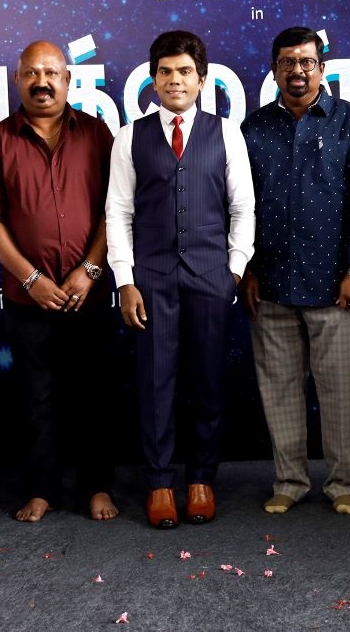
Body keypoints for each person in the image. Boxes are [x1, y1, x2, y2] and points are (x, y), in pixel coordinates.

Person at [106, 30, 255, 529]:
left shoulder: (226, 133)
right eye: (166, 72)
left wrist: (234, 270)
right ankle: (160, 483)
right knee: (155, 386)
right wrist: (125, 280)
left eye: (185, 72)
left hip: (211, 277)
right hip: (151, 281)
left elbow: (243, 207)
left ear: (202, 79)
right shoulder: (130, 137)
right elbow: (118, 213)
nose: (175, 80)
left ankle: (201, 480)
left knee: (209, 383)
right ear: (152, 80)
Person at [241, 26, 350, 515]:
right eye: (287, 62)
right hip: (271, 283)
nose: (297, 71)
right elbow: (240, 205)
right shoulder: (254, 128)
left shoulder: (349, 121)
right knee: (279, 390)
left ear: (322, 69)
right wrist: (248, 269)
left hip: (334, 285)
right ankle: (289, 481)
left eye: (306, 62)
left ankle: (343, 483)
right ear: (274, 70)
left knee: (338, 391)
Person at [0, 40, 118, 523]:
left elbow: (115, 209)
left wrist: (91, 269)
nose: (42, 82)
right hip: (27, 298)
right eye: (32, 73)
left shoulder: (97, 135)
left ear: (67, 79)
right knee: (36, 397)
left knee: (94, 393)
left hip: (89, 293)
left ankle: (97, 487)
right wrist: (30, 277)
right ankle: (42, 489)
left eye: (51, 73)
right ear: (18, 80)